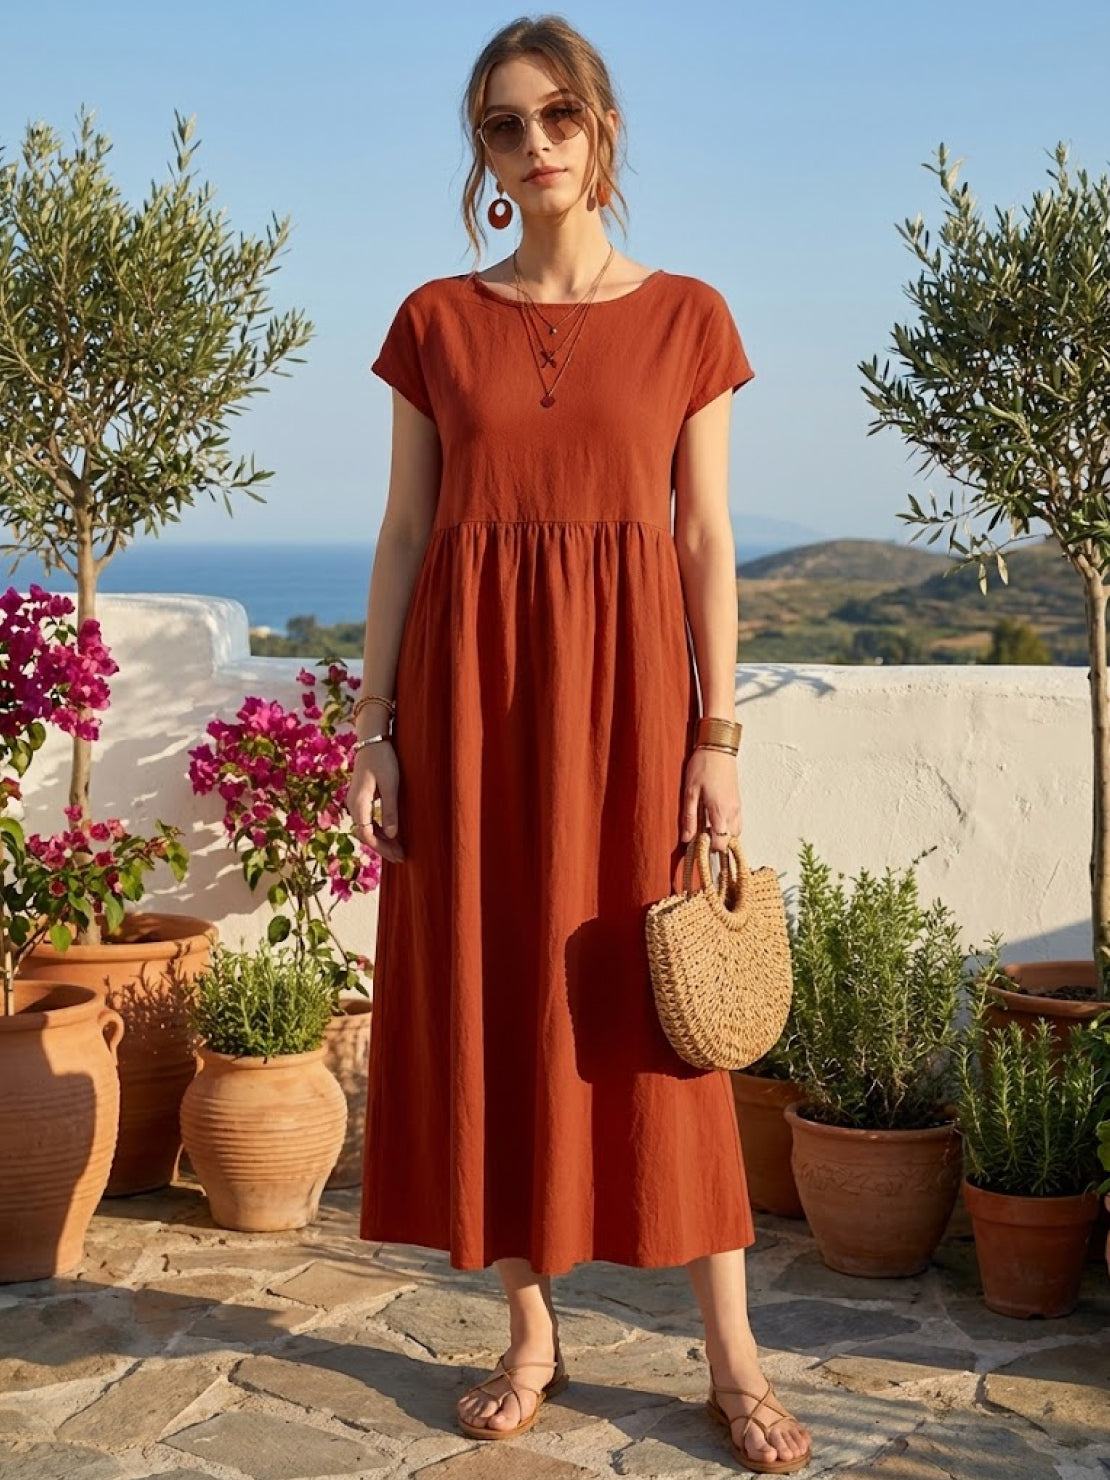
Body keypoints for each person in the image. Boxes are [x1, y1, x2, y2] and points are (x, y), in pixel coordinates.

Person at [344, 14, 813, 1475]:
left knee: (664, 1019)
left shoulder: (688, 318)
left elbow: (704, 536)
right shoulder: (435, 321)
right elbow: (406, 533)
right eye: (504, 124)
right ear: (480, 153)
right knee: (498, 1001)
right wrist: (375, 728)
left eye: (557, 115)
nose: (534, 143)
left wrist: (715, 734)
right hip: (469, 709)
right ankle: (531, 1334)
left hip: (633, 712)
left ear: (600, 129)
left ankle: (732, 1359)